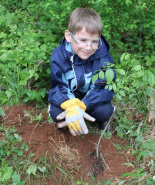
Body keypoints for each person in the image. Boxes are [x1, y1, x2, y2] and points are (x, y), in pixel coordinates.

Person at [48, 8, 115, 136]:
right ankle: (68, 122)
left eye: (94, 41)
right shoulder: (59, 56)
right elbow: (57, 86)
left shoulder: (103, 56)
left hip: (91, 99)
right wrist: (71, 105)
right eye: (83, 40)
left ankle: (101, 120)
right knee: (56, 114)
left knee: (104, 111)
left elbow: (105, 87)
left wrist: (84, 105)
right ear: (69, 36)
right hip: (70, 98)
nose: (89, 47)